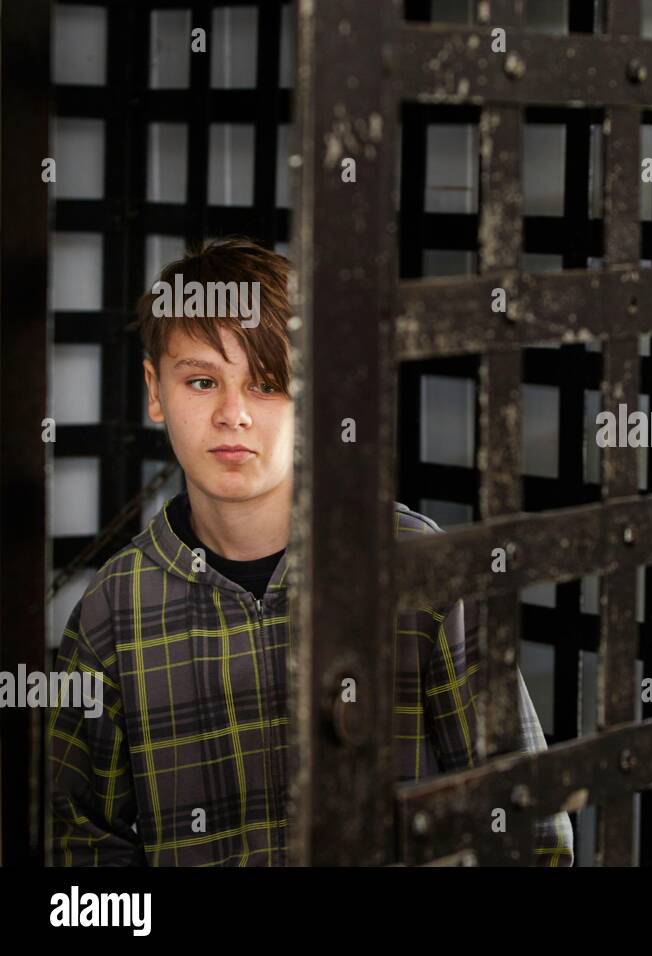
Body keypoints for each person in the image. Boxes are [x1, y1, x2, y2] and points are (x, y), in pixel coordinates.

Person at [47, 237, 573, 866]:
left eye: (268, 384)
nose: (233, 414)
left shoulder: (417, 571)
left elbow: (528, 828)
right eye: (202, 380)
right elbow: (81, 853)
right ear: (155, 391)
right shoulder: (113, 611)